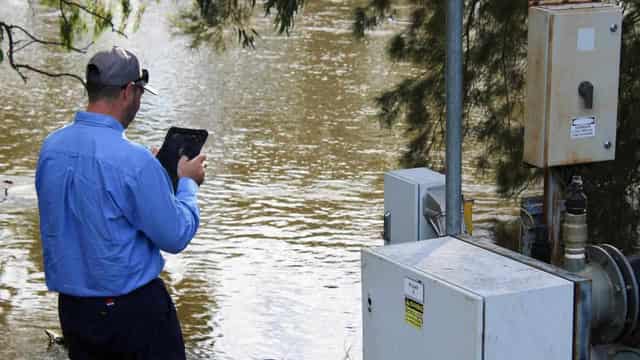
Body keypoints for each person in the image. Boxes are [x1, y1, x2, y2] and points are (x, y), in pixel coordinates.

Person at [35, 46, 206, 359]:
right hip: (132, 313)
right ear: (129, 91)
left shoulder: (51, 148)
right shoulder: (134, 162)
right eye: (140, 92)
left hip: (74, 311)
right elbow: (175, 235)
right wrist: (187, 183)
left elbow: (89, 206)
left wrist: (153, 174)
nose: (140, 102)